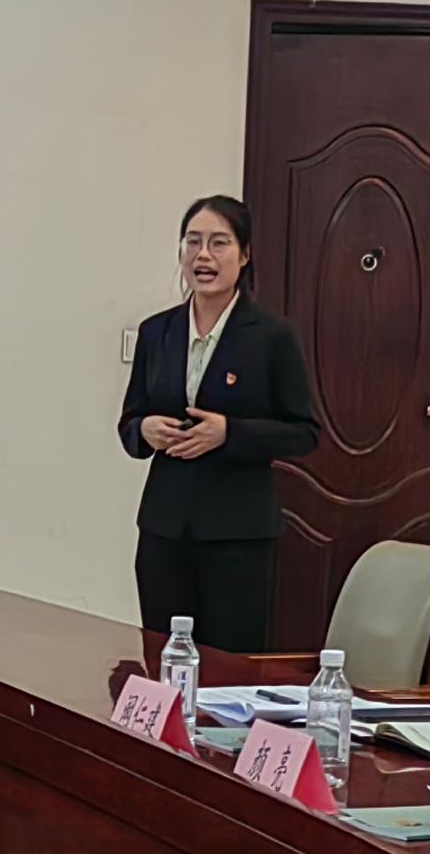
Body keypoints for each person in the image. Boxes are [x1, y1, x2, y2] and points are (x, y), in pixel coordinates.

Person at [116, 194, 321, 653]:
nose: (203, 256)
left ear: (244, 255)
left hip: (237, 533)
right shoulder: (157, 332)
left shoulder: (272, 336)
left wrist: (230, 433)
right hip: (164, 528)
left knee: (229, 666)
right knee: (164, 658)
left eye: (218, 243)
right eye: (192, 242)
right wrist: (145, 429)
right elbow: (130, 423)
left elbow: (304, 431)